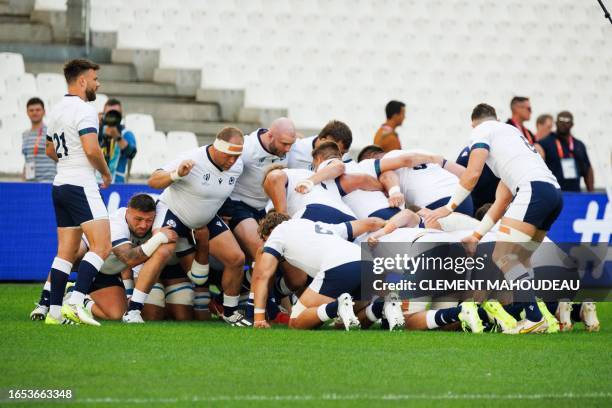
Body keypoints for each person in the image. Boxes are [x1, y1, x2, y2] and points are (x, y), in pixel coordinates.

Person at [424, 103, 564, 334]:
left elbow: (472, 174)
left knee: (503, 255)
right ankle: (540, 318)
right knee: (523, 257)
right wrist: (477, 235)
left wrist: (449, 207)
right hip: (554, 193)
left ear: (474, 122)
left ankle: (533, 317)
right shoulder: (512, 136)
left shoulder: (481, 130)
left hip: (533, 191)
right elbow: (501, 202)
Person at [147, 127, 249, 325]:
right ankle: (133, 307)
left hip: (205, 220)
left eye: (237, 156)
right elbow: (153, 180)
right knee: (160, 252)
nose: (232, 161)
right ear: (217, 148)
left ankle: (230, 312)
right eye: (229, 155)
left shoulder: (237, 166)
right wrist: (176, 174)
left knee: (237, 259)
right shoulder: (193, 158)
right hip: (175, 213)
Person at [43, 59, 112, 326]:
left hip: (60, 183)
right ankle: (76, 300)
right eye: (95, 78)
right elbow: (92, 149)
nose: (98, 83)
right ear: (82, 81)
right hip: (81, 183)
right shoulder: (85, 110)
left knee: (66, 252)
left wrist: (69, 160)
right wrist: (105, 174)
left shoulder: (57, 110)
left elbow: (50, 150)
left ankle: (55, 312)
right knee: (102, 245)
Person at [251, 213, 406, 330]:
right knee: (341, 324)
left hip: (338, 266)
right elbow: (370, 222)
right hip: (367, 261)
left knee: (296, 322)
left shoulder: (278, 232)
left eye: (265, 239)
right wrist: (388, 224)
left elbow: (263, 275)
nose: (266, 245)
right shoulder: (316, 225)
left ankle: (337, 306)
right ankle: (380, 307)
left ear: (270, 231)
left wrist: (258, 317)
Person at [219, 118, 296, 261]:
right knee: (262, 249)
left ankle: (249, 280)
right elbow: (220, 168)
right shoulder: (247, 148)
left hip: (264, 209)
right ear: (270, 135)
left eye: (291, 144)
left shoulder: (287, 148)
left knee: (283, 251)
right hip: (239, 204)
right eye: (284, 144)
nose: (288, 149)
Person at [358, 145, 474, 216]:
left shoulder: (386, 161)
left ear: (372, 157)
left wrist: (394, 192)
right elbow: (464, 173)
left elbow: (387, 176)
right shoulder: (421, 151)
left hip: (436, 204)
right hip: (464, 200)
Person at [538, 111, 594, 192]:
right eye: (561, 121)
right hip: (553, 195)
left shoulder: (579, 145)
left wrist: (591, 192)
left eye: (567, 122)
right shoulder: (544, 143)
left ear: (572, 124)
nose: (563, 124)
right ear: (556, 123)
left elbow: (588, 170)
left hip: (575, 194)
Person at [287, 120, 353, 170]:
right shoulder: (296, 151)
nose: (339, 158)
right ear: (323, 141)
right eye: (335, 150)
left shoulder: (345, 156)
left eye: (343, 153)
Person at [99, 98, 137, 183]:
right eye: (109, 114)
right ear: (104, 114)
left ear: (121, 116)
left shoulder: (126, 134)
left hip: (117, 184)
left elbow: (131, 154)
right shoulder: (96, 131)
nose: (112, 117)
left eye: (115, 114)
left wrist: (117, 137)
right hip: (94, 183)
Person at [21, 97, 56, 182]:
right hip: (30, 183)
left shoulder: (50, 132)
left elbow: (58, 157)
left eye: (38, 110)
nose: (34, 113)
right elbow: (27, 158)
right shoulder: (25, 134)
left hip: (47, 182)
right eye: (31, 110)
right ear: (27, 112)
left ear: (44, 112)